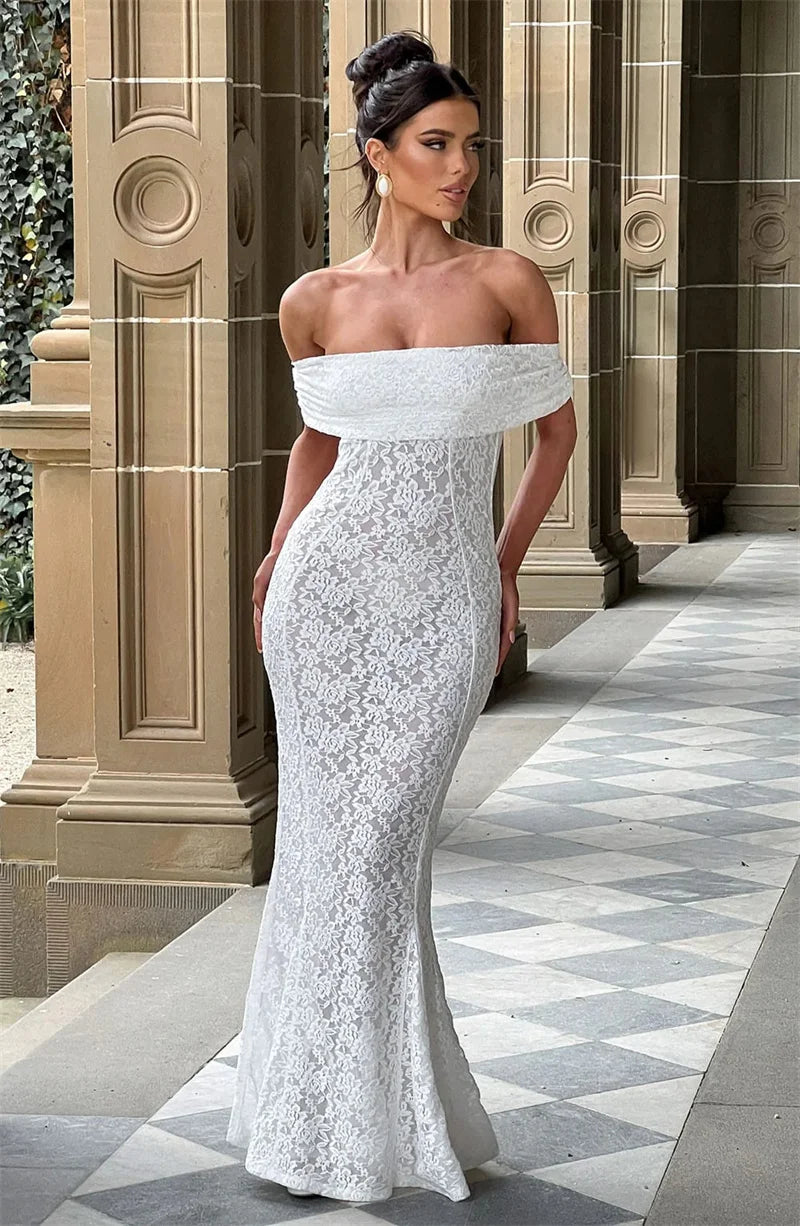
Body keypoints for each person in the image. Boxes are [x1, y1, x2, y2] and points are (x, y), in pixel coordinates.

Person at [226, 29, 577, 1206]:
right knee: (330, 855)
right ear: (377, 154)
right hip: (325, 596)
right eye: (436, 145)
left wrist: (501, 566)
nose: (461, 166)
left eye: (471, 147)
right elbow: (319, 441)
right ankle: (323, 1117)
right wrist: (279, 552)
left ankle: (350, 1114)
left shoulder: (504, 282)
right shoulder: (311, 301)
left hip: (441, 595)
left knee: (379, 850)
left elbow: (553, 442)